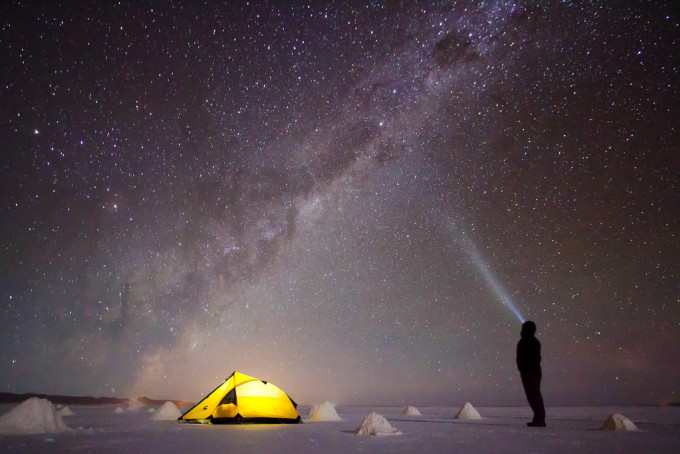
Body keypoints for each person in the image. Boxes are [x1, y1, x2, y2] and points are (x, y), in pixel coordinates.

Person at [516, 320, 546, 427]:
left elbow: (523, 358)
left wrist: (522, 369)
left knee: (533, 396)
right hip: (534, 372)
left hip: (529, 373)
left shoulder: (525, 341)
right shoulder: (534, 341)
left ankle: (539, 419)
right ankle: (539, 418)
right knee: (535, 395)